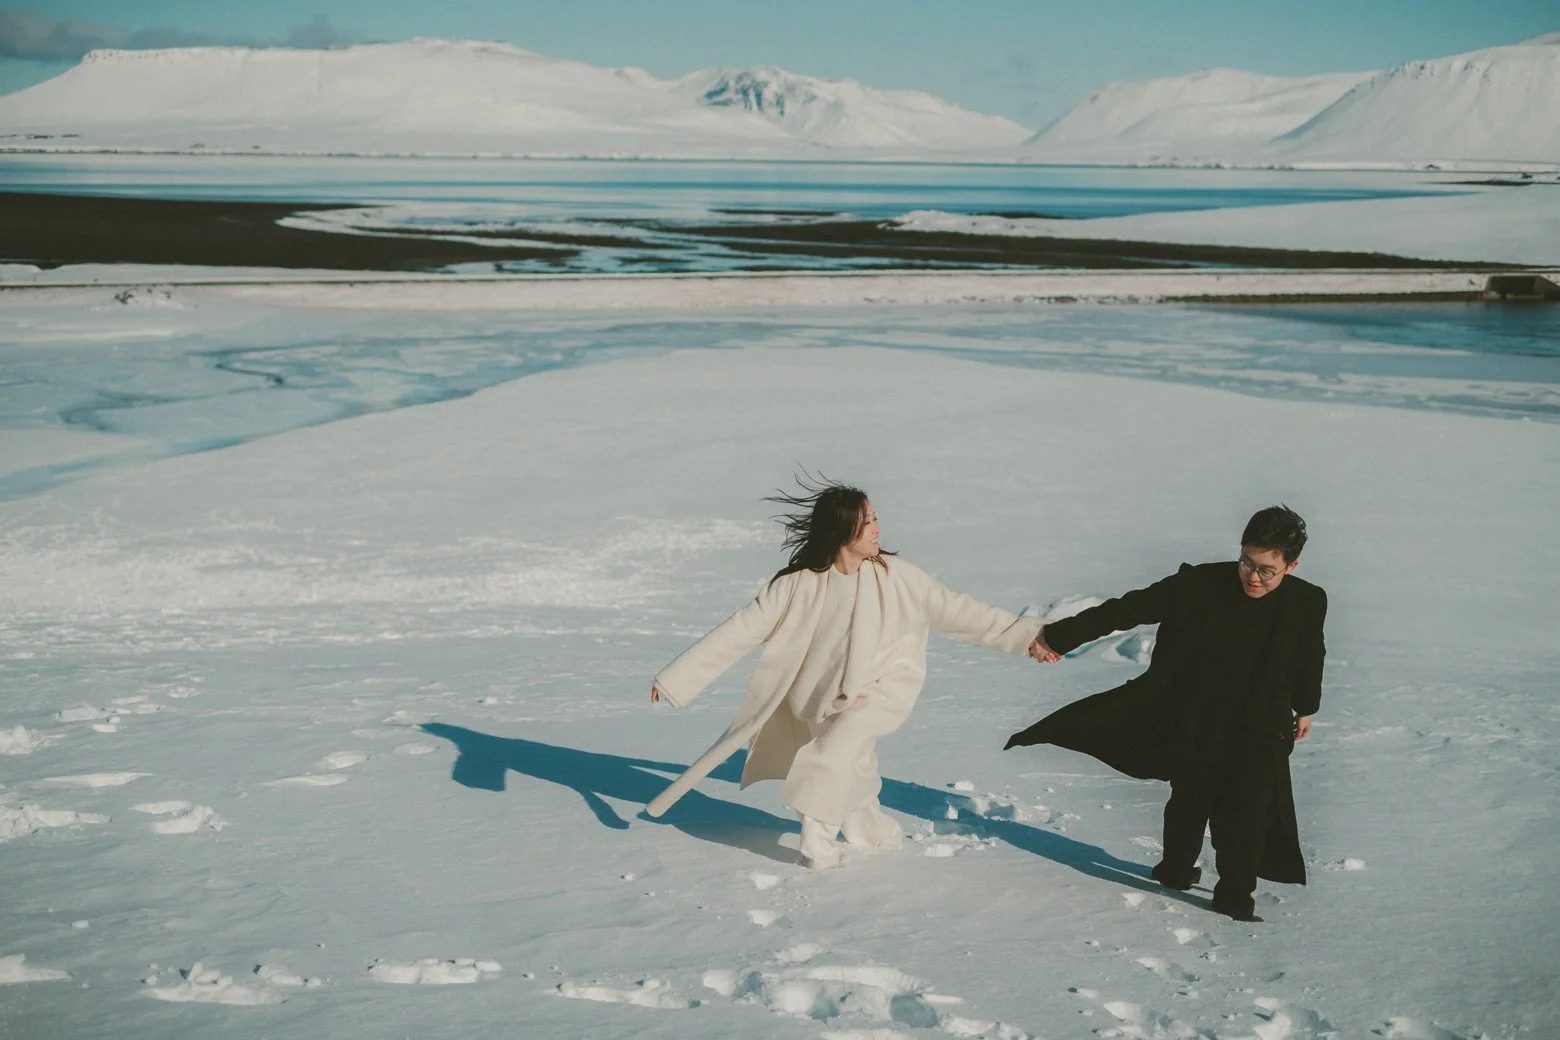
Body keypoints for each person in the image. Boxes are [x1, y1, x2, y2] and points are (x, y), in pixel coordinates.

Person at [646, 477, 1053, 868]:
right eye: (868, 521)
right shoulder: (797, 585)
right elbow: (739, 630)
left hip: (883, 691)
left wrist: (1028, 637)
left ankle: (817, 848)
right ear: (843, 530)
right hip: (818, 700)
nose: (878, 528)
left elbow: (961, 611)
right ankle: (873, 836)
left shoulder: (898, 577)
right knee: (856, 771)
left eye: (876, 518)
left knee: (829, 757)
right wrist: (675, 679)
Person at [1005, 506, 1326, 922]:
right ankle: (1175, 870)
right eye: (1246, 562)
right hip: (1195, 716)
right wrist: (1059, 636)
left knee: (1244, 814)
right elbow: (1126, 609)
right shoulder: (1199, 584)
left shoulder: (1306, 601)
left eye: (1266, 570)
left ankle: (1235, 898)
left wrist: (1307, 706)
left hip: (1260, 725)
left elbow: (1309, 655)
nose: (1252, 576)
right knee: (1190, 798)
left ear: (1292, 565)